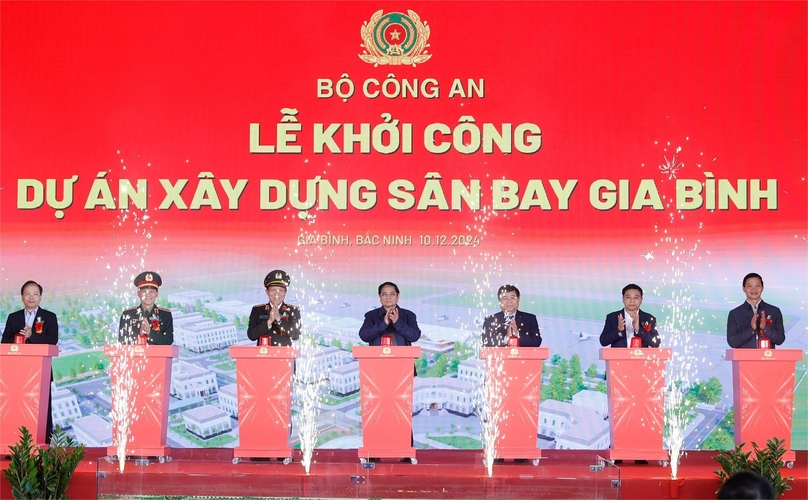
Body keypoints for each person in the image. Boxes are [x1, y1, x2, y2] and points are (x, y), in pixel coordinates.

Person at [2, 280, 59, 443]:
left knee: (43, 410)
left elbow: (52, 340)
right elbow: (5, 342)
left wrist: (31, 336)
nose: (31, 297)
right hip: (17, 374)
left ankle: (43, 443)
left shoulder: (49, 317)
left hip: (41, 372)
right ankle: (15, 443)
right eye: (28, 294)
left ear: (40, 297)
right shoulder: (13, 318)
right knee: (16, 408)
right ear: (22, 297)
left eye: (35, 294)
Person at [727, 273, 785, 349]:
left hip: (767, 358)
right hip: (744, 359)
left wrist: (765, 328)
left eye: (757, 286)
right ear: (744, 289)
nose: (754, 289)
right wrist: (751, 329)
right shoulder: (735, 313)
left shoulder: (774, 311)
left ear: (762, 288)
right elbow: (732, 342)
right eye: (749, 286)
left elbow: (780, 340)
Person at [248, 270, 301, 346]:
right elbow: (251, 336)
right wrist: (268, 322)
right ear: (267, 292)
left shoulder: (293, 311)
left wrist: (280, 320)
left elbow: (295, 335)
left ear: (285, 292)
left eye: (281, 290)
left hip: (285, 356)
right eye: (273, 290)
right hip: (263, 355)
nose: (277, 294)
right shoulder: (257, 310)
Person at [119, 271, 174, 345]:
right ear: (139, 293)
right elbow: (122, 340)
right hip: (135, 356)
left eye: (151, 291)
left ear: (157, 294)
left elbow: (168, 341)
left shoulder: (165, 315)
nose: (148, 295)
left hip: (158, 356)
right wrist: (140, 334)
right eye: (144, 291)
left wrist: (150, 333)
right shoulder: (128, 315)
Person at [359, 282, 421, 346]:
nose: (388, 297)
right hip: (377, 355)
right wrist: (383, 323)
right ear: (380, 297)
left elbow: (415, 336)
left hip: (402, 355)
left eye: (392, 294)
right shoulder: (371, 316)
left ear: (398, 296)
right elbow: (364, 336)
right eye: (384, 294)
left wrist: (398, 323)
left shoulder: (408, 315)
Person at [599, 283, 660, 348]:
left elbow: (656, 343)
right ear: (623, 299)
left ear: (641, 299)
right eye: (628, 297)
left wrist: (639, 329)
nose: (632, 301)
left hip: (641, 357)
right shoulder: (612, 317)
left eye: (636, 297)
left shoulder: (649, 318)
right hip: (619, 357)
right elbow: (603, 341)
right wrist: (618, 330)